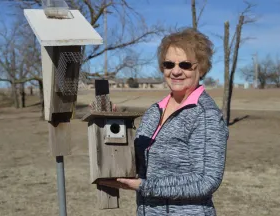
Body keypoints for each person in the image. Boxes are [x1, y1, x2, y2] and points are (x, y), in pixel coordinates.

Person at [98, 27, 229, 215]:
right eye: (169, 64)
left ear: (201, 67)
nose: (175, 71)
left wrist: (145, 185)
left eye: (185, 65)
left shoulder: (205, 115)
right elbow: (137, 161)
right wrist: (113, 123)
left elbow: (206, 180)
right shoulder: (154, 111)